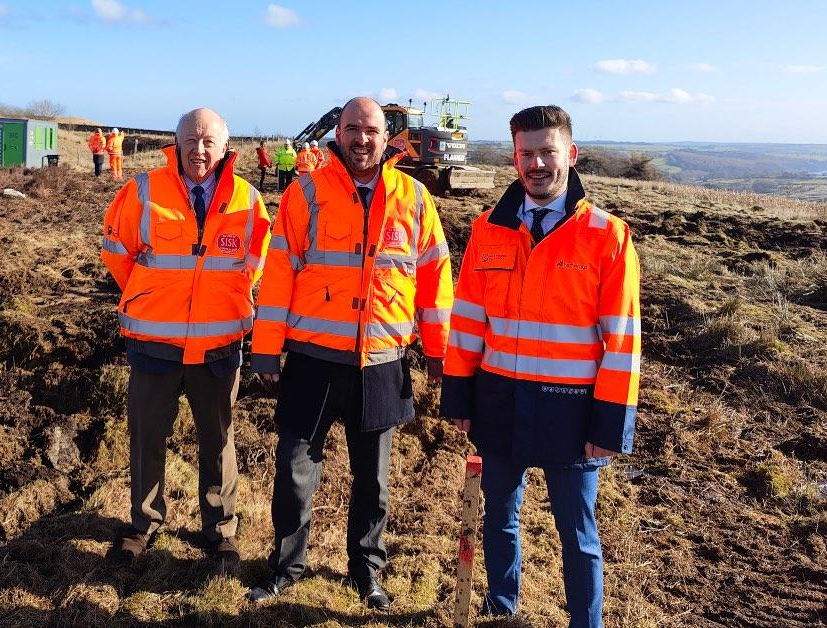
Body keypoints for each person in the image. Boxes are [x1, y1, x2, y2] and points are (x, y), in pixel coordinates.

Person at [247, 97, 454, 610]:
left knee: (374, 481)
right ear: (337, 134)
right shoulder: (306, 192)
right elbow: (278, 275)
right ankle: (287, 566)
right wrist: (267, 350)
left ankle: (367, 572)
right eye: (352, 129)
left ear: (388, 139)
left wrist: (438, 351)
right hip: (313, 360)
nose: (362, 139)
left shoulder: (415, 197)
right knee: (295, 472)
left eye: (372, 131)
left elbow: (434, 280)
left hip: (381, 363)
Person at [440, 105, 641, 626]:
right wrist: (459, 396)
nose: (537, 163)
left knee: (578, 534)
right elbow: (467, 321)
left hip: (572, 414)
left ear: (570, 156)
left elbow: (621, 340)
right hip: (499, 402)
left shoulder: (607, 236)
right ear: (514, 158)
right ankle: (501, 609)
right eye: (527, 153)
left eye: (548, 151)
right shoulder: (487, 229)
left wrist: (608, 422)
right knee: (499, 519)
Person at [100, 107, 271, 576]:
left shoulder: (247, 200)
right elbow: (118, 254)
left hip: (218, 349)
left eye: (209, 141)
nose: (200, 150)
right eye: (191, 141)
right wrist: (152, 296)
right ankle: (144, 523)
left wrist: (225, 302)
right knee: (147, 437)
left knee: (219, 440)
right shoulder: (142, 191)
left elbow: (257, 265)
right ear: (176, 144)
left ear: (224, 145)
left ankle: (220, 531)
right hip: (154, 344)